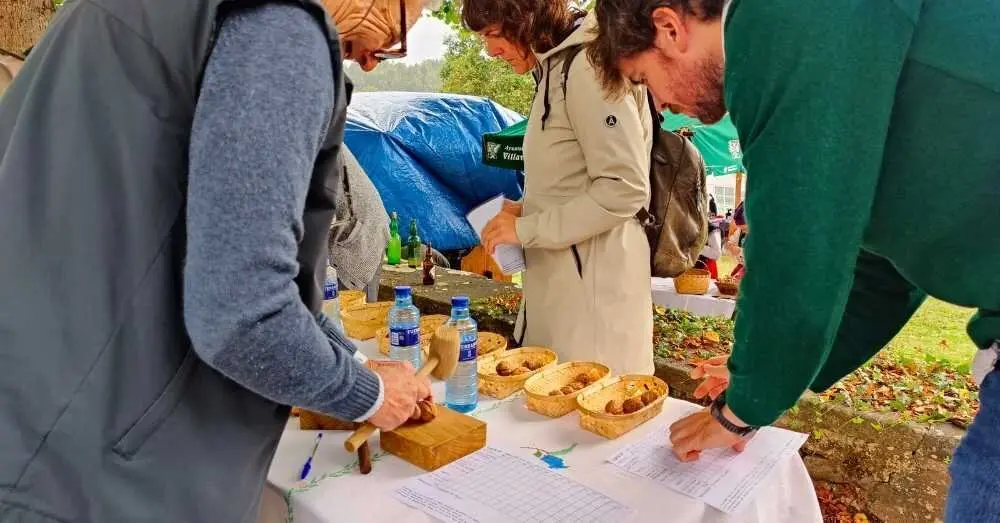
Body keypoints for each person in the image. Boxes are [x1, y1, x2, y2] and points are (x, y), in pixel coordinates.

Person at [0, 0, 436, 521]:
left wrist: (358, 362)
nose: (371, 60)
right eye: (401, 29)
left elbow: (193, 253)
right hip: (109, 479)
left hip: (35, 426)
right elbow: (244, 313)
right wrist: (367, 395)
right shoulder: (280, 28)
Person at [589, 0, 1000, 518]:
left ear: (670, 28)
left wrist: (740, 410)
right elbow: (880, 270)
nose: (663, 108)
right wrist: (767, 376)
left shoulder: (780, 19)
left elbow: (795, 234)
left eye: (645, 79)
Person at [465, 0, 655, 374]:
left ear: (523, 16)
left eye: (492, 33)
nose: (491, 51)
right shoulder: (558, 67)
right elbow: (576, 179)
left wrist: (526, 228)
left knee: (588, 422)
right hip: (567, 303)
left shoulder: (585, 67)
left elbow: (625, 188)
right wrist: (526, 207)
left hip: (592, 317)